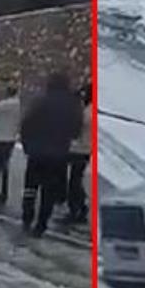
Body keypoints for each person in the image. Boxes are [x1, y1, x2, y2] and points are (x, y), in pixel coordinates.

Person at [20, 71, 84, 237]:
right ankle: (41, 224)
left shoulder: (40, 101)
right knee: (49, 191)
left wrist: (27, 144)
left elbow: (26, 123)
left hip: (37, 152)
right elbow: (76, 131)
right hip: (58, 154)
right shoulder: (73, 105)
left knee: (30, 187)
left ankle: (27, 216)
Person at [65, 84, 92, 224]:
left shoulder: (87, 112)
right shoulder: (88, 110)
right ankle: (79, 207)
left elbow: (76, 128)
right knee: (75, 180)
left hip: (79, 149)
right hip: (83, 149)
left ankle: (76, 209)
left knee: (74, 181)